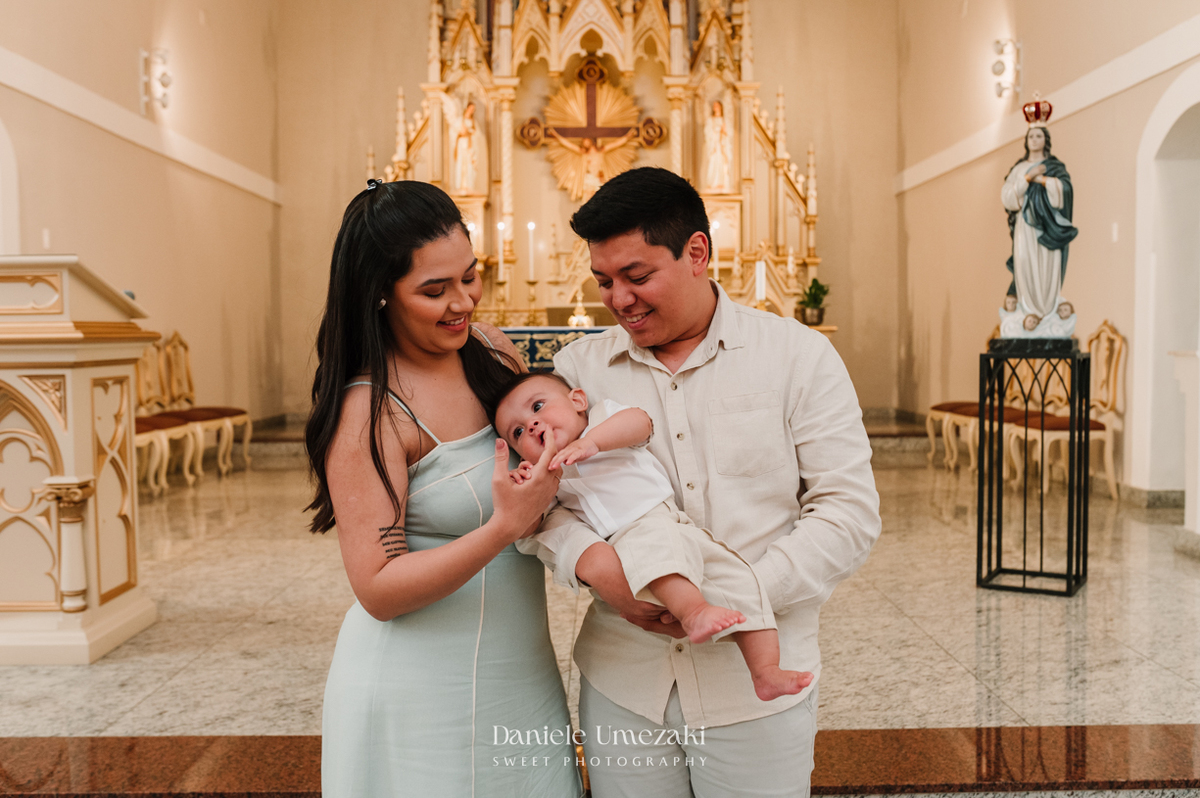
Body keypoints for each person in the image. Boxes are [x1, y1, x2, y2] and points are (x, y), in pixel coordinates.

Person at [519, 167, 882, 797]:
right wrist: (605, 573)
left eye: (637, 277)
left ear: (697, 253)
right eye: (604, 281)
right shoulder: (579, 370)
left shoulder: (798, 356)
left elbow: (847, 512)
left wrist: (733, 602)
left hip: (758, 687)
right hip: (624, 680)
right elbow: (542, 506)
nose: (619, 299)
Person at [305, 179, 582, 797]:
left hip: (520, 671)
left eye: (469, 276)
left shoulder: (490, 351)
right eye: (434, 290)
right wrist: (504, 528)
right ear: (381, 294)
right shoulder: (372, 413)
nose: (463, 302)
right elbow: (377, 588)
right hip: (418, 689)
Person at [489, 372, 814, 701]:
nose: (531, 424)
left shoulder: (602, 421)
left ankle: (765, 671)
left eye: (538, 406)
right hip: (628, 537)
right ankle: (694, 612)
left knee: (739, 578)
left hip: (672, 522)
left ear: (577, 401)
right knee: (660, 555)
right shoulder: (549, 475)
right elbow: (534, 529)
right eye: (517, 432)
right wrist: (529, 491)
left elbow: (640, 422)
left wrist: (591, 443)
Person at [1001, 125, 1077, 333]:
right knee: (1025, 263)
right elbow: (1008, 197)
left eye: (1038, 136)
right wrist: (1027, 177)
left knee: (1046, 266)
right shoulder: (1019, 168)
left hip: (1048, 228)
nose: (1034, 140)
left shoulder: (1054, 166)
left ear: (1046, 140)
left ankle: (1048, 311)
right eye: (1030, 136)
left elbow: (1065, 191)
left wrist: (1042, 179)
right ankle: (1028, 312)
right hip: (1025, 229)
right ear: (1026, 141)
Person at [704, 100, 733, 193]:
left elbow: (729, 133)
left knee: (722, 163)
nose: (715, 107)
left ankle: (721, 183)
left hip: (722, 145)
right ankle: (713, 183)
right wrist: (715, 134)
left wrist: (724, 132)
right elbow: (707, 133)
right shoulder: (710, 120)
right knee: (713, 162)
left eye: (717, 106)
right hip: (714, 145)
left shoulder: (724, 120)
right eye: (714, 106)